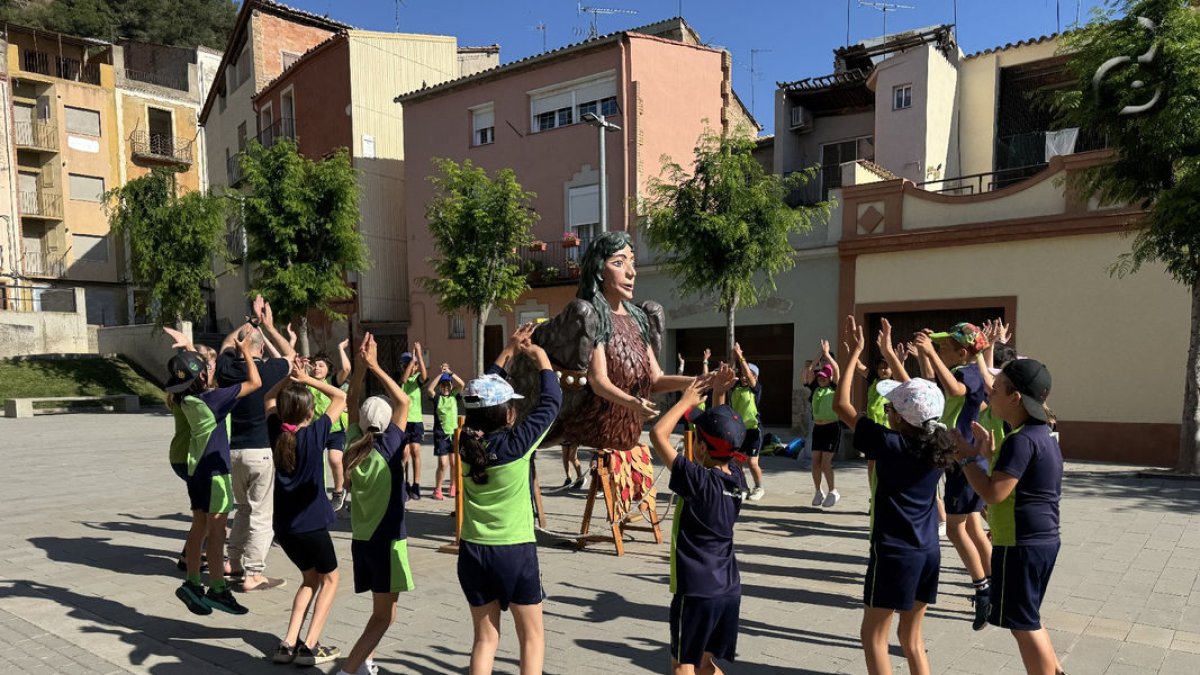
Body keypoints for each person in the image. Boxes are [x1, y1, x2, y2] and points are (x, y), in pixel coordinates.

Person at [834, 317, 956, 675]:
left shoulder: (889, 443)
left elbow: (843, 406)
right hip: (928, 552)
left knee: (873, 635)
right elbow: (919, 403)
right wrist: (888, 354)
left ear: (900, 418)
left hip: (893, 553)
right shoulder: (939, 444)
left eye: (891, 408)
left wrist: (855, 353)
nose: (886, 411)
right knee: (912, 640)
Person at [457, 337, 562, 675]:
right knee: (531, 636)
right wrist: (541, 356)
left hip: (473, 551)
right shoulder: (518, 443)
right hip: (514, 552)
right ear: (508, 413)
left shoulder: (465, 442)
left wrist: (506, 353)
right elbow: (552, 401)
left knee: (484, 639)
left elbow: (479, 400)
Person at [958, 359, 1064, 675]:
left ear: (1015, 397)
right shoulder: (1040, 433)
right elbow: (1020, 481)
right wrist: (991, 456)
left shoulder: (1020, 440)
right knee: (1027, 617)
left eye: (995, 389)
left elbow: (994, 494)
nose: (989, 395)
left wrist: (965, 458)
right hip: (1039, 540)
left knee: (1023, 624)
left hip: (1021, 544)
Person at [649, 365, 748, 675]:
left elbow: (657, 434)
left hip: (696, 591)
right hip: (727, 590)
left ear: (702, 448)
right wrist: (719, 393)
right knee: (707, 664)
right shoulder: (737, 478)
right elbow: (723, 433)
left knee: (683, 665)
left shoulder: (698, 482)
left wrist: (686, 401)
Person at [336, 333, 414, 675]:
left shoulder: (354, 444)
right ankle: (349, 670)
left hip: (363, 541)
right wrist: (375, 366)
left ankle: (365, 661)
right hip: (388, 542)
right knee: (385, 615)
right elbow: (404, 403)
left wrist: (360, 370)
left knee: (383, 612)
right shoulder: (390, 448)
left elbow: (352, 398)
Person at [169, 329, 261, 615]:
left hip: (197, 470)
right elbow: (254, 382)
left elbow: (187, 377)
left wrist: (186, 350)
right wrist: (246, 351)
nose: (211, 369)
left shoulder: (183, 400)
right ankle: (218, 589)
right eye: (205, 368)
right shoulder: (214, 401)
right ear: (201, 377)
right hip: (215, 472)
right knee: (218, 530)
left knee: (199, 526)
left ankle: (193, 582)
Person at [265, 358, 347, 666]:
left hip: (285, 529)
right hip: (311, 526)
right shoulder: (316, 434)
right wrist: (308, 379)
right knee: (331, 579)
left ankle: (287, 644)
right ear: (310, 412)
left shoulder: (276, 431)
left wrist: (289, 378)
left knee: (310, 579)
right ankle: (310, 646)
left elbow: (268, 399)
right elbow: (340, 397)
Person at [915, 322, 992, 629]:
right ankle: (994, 584)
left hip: (964, 459)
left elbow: (955, 388)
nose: (940, 351)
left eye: (945, 348)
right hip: (962, 458)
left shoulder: (968, 372)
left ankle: (983, 588)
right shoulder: (963, 369)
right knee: (972, 524)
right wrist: (927, 354)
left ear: (963, 352)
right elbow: (931, 380)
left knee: (955, 529)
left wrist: (931, 353)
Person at [216, 296, 293, 592]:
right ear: (260, 349)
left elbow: (225, 344)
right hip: (260, 451)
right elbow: (290, 354)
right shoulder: (268, 370)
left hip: (232, 451)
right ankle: (253, 573)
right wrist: (268, 325)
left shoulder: (226, 370)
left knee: (243, 510)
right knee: (262, 514)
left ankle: (232, 562)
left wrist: (248, 322)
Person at [309, 340, 352, 512]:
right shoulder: (307, 383)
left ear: (328, 369)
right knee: (315, 463)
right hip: (316, 429)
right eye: (314, 365)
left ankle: (338, 492)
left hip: (335, 429)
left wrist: (340, 348)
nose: (317, 368)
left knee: (334, 459)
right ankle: (318, 494)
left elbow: (347, 369)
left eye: (321, 365)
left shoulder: (332, 382)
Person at [803, 341, 841, 508]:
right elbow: (810, 369)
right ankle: (818, 491)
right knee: (815, 462)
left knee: (826, 463)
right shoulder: (815, 389)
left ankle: (833, 491)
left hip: (832, 428)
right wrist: (820, 354)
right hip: (818, 428)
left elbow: (837, 370)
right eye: (820, 377)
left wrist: (827, 356)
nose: (821, 379)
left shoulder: (835, 388)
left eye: (825, 377)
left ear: (830, 378)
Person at [729, 342, 766, 501]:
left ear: (755, 376)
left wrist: (741, 357)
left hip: (753, 430)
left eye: (748, 374)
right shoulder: (735, 387)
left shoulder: (755, 388)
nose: (744, 376)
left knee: (751, 462)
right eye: (742, 374)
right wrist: (733, 356)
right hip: (738, 430)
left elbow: (749, 378)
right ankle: (742, 486)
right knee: (737, 461)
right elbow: (730, 372)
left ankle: (759, 487)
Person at [425, 363, 465, 500]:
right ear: (440, 387)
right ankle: (437, 489)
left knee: (454, 463)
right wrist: (441, 375)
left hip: (454, 434)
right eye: (443, 385)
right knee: (443, 464)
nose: (446, 388)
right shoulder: (437, 398)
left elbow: (462, 384)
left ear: (451, 387)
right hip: (441, 435)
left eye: (448, 385)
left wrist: (450, 373)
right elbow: (430, 388)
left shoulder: (454, 396)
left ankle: (453, 486)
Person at [399, 343, 429, 500]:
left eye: (414, 364)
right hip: (403, 421)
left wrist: (419, 355)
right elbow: (404, 378)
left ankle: (416, 485)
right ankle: (405, 482)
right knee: (404, 453)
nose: (413, 367)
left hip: (415, 421)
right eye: (409, 364)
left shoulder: (417, 380)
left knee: (415, 450)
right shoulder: (401, 380)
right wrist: (412, 360)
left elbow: (425, 376)